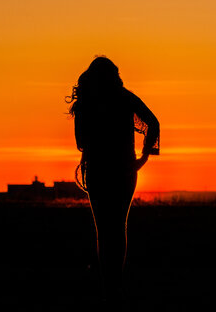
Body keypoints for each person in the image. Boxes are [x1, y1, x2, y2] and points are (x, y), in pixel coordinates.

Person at [67, 56, 160, 302]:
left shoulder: (86, 102)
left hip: (98, 170)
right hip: (125, 171)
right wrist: (144, 157)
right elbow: (154, 123)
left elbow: (79, 143)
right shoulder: (125, 97)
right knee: (119, 227)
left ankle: (108, 284)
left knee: (103, 230)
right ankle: (115, 282)